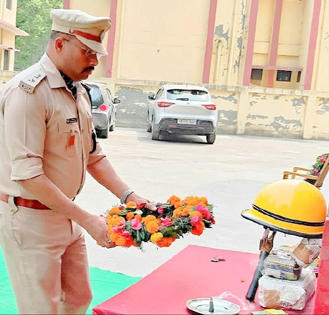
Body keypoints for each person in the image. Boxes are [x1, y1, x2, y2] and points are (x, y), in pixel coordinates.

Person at [0, 8, 155, 314]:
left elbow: (94, 156)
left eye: (97, 53)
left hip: (65, 213)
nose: (95, 61)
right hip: (31, 219)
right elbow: (29, 175)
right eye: (87, 52)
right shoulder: (29, 93)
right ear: (59, 45)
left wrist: (130, 197)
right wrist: (88, 220)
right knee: (41, 309)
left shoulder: (78, 91)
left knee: (79, 299)